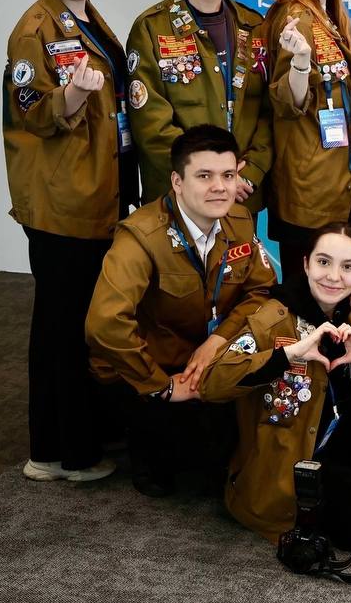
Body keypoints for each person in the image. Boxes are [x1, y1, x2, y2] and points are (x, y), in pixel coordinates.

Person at [4, 0, 138, 483]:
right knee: (59, 329)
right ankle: (56, 452)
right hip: (63, 203)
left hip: (97, 193)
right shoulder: (33, 30)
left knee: (82, 320)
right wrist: (73, 96)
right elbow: (30, 110)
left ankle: (87, 431)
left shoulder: (85, 16)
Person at [85, 125, 277, 496]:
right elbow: (104, 324)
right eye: (204, 176)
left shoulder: (239, 221)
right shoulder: (140, 236)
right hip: (148, 368)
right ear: (177, 181)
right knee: (170, 476)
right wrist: (162, 387)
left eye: (228, 175)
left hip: (204, 355)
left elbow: (261, 292)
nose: (220, 187)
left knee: (227, 456)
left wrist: (217, 342)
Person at [200, 223, 351, 546]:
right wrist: (288, 354)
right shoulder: (273, 318)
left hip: (332, 452)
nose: (333, 276)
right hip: (282, 470)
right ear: (305, 264)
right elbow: (211, 383)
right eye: (323, 262)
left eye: (347, 267)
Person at [126, 0, 271, 210]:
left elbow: (269, 114)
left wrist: (248, 173)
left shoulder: (255, 26)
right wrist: (210, 178)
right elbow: (150, 123)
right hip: (179, 198)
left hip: (241, 196)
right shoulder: (151, 28)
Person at [265, 0, 351, 280]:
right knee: (307, 291)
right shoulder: (296, 18)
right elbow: (288, 102)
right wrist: (302, 62)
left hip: (330, 181)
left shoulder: (326, 13)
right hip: (308, 189)